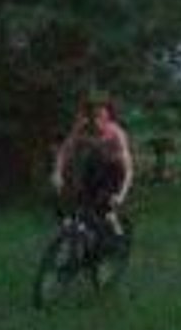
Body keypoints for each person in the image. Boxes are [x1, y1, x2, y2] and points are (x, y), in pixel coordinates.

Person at [51, 97, 134, 240]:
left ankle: (117, 234)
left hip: (114, 170)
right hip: (94, 167)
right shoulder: (82, 128)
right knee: (79, 197)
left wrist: (121, 195)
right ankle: (78, 229)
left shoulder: (116, 134)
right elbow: (64, 151)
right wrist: (57, 173)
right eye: (94, 117)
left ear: (108, 118)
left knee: (106, 206)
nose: (97, 122)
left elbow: (128, 169)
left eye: (102, 117)